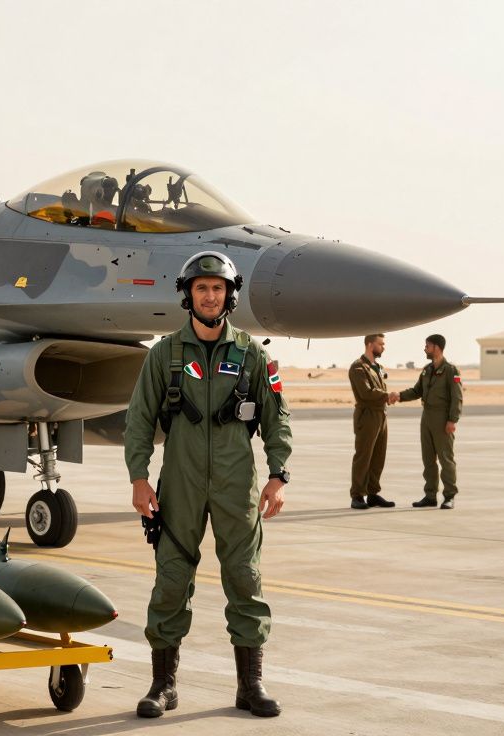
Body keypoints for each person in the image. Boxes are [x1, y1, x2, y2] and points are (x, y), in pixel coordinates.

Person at [124, 251, 292, 719]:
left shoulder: (253, 355)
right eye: (202, 288)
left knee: (245, 577)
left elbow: (278, 418)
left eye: (218, 288)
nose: (210, 296)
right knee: (172, 579)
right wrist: (139, 479)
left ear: (229, 295)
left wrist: (278, 475)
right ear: (188, 295)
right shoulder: (164, 355)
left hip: (238, 484)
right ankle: (163, 685)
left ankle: (250, 685)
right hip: (180, 482)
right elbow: (138, 420)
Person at [389, 333, 463, 509]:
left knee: (446, 459)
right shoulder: (427, 370)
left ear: (437, 347)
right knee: (428, 459)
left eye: (427, 346)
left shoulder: (451, 371)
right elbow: (417, 391)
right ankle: (430, 495)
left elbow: (457, 397)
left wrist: (452, 420)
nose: (425, 349)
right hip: (427, 417)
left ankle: (449, 496)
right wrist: (399, 396)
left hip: (442, 418)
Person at [348, 334, 396, 509]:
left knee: (378, 456)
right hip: (367, 415)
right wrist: (387, 396)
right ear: (370, 345)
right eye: (380, 344)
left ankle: (373, 493)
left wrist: (386, 398)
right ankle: (357, 495)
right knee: (364, 455)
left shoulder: (378, 367)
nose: (383, 347)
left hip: (381, 414)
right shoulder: (358, 367)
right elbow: (365, 393)